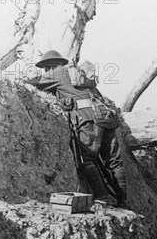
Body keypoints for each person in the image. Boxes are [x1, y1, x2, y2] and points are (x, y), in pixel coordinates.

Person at [25, 50, 127, 207]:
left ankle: (102, 197)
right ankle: (123, 201)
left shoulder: (57, 73)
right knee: (114, 161)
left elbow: (32, 82)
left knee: (85, 159)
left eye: (46, 68)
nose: (45, 71)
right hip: (107, 117)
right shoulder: (81, 75)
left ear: (50, 66)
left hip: (88, 118)